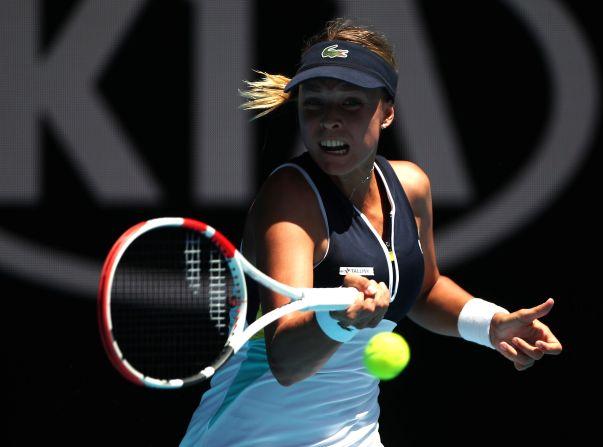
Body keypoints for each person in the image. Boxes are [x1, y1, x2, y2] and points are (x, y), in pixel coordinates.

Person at [180, 18, 562, 447]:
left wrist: (490, 324)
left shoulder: (410, 186)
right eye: (314, 103)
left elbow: (423, 290)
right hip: (248, 436)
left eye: (350, 103)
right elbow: (285, 358)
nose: (328, 121)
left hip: (355, 434)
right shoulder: (290, 197)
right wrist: (341, 323)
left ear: (388, 111)